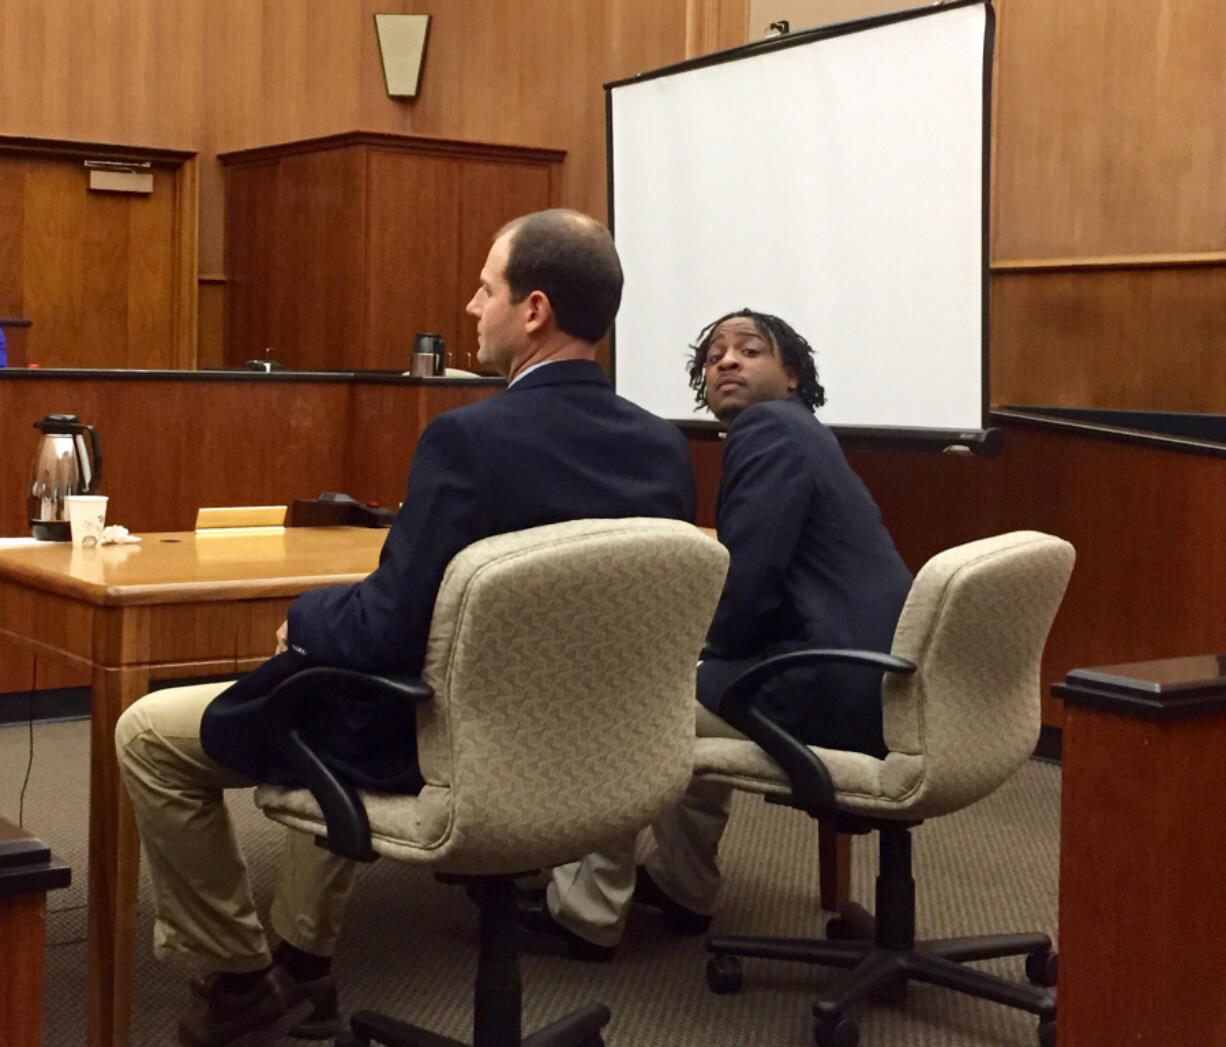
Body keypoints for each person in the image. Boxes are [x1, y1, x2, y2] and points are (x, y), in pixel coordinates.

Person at [114, 209, 697, 1047]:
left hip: (448, 743)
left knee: (152, 732)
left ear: (533, 310)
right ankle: (304, 966)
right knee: (335, 697)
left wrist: (305, 617)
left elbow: (389, 630)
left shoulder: (468, 439)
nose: (470, 306)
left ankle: (242, 984)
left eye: (485, 288)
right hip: (592, 752)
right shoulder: (660, 449)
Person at [520, 308, 913, 960]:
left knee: (622, 697)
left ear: (791, 375)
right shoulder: (807, 434)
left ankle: (585, 908)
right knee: (692, 687)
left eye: (749, 350)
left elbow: (748, 584)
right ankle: (684, 885)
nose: (726, 361)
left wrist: (684, 655)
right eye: (713, 355)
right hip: (873, 682)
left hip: (827, 685)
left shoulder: (768, 431)